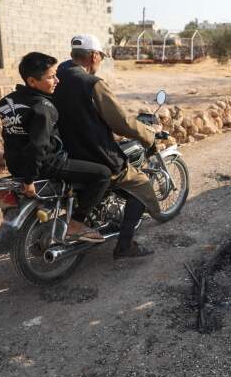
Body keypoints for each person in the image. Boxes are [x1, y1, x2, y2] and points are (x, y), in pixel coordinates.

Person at [53, 34, 165, 259]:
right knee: (141, 185)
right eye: (101, 57)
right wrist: (149, 137)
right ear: (93, 56)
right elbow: (121, 122)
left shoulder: (55, 76)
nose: (100, 61)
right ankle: (125, 245)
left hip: (63, 152)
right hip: (92, 152)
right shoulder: (91, 83)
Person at [0, 52, 111, 242]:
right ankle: (76, 222)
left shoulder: (7, 102)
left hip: (16, 164)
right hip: (45, 164)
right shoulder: (43, 107)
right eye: (51, 77)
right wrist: (29, 179)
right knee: (103, 174)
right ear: (32, 81)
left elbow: (11, 136)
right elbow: (38, 145)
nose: (57, 80)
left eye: (56, 74)